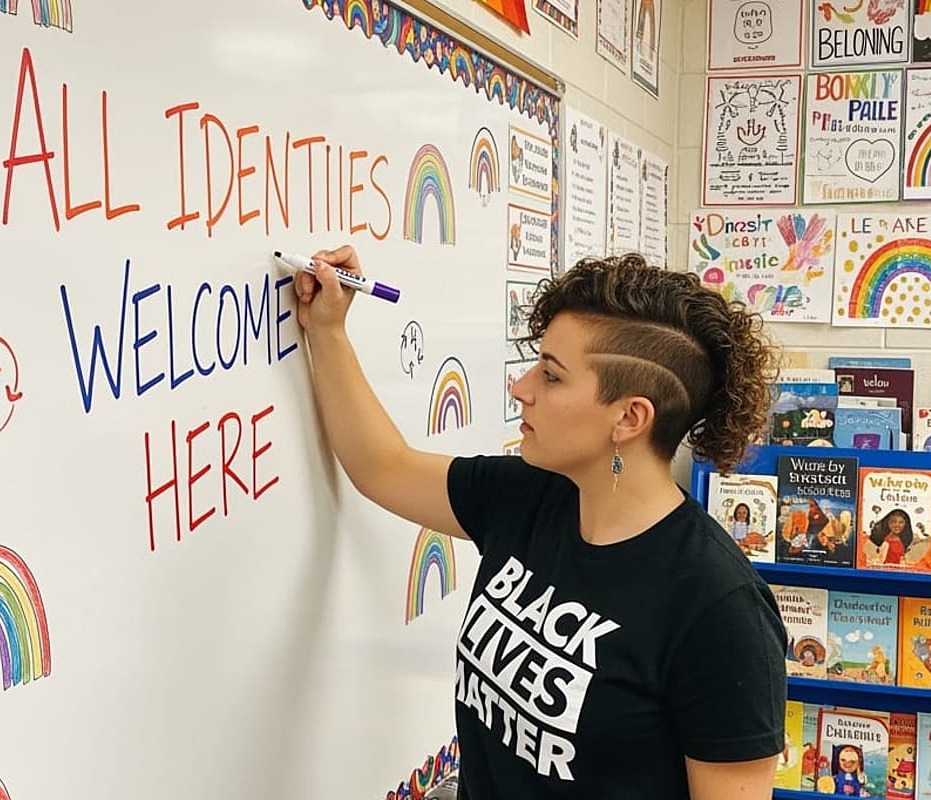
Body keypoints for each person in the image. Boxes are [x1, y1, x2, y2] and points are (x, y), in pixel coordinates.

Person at [294, 246, 788, 799]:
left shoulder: (718, 607)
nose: (521, 387)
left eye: (551, 376)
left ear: (629, 417)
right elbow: (382, 467)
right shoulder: (530, 497)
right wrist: (328, 330)